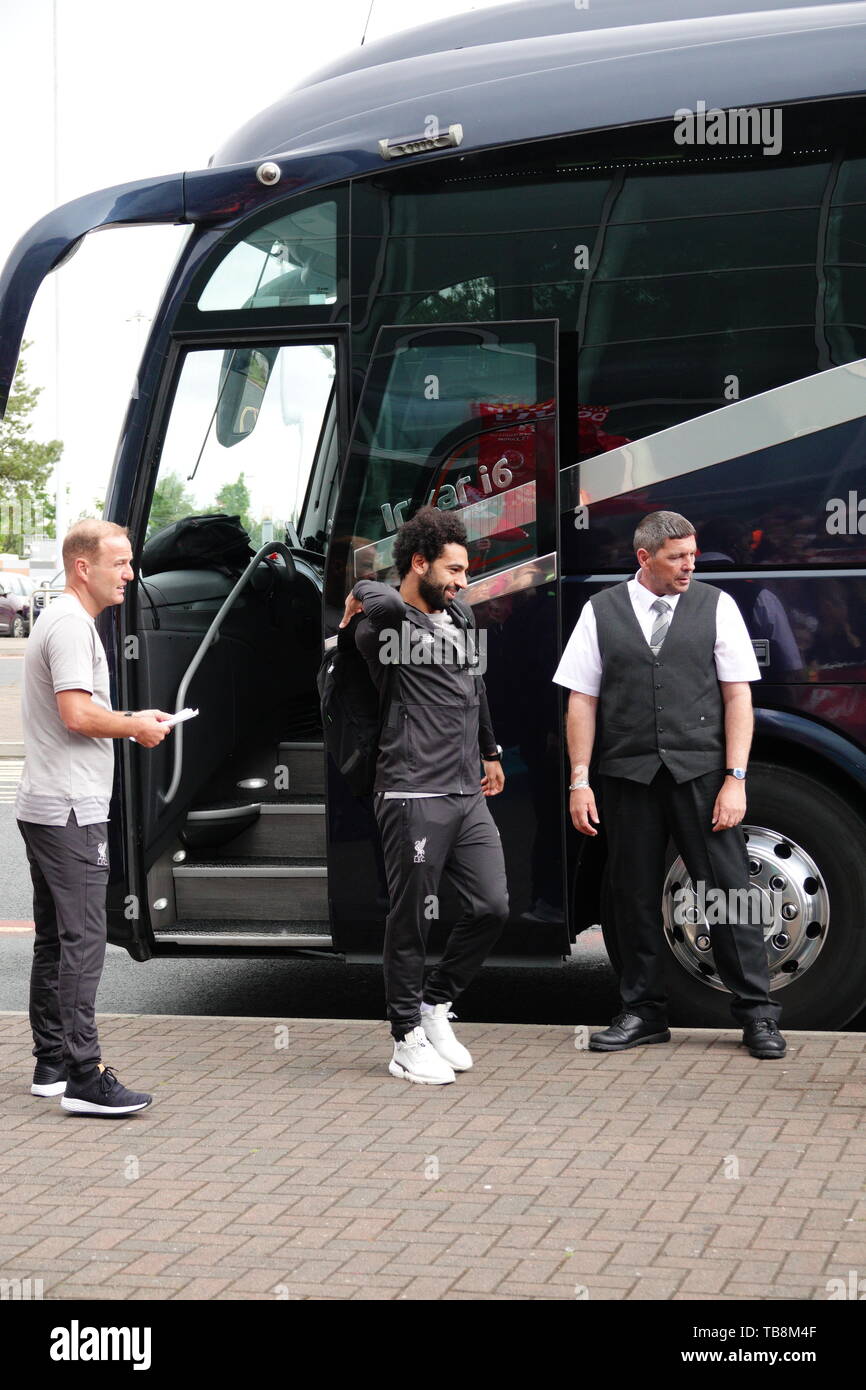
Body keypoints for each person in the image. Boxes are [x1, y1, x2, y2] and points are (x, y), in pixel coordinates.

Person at [554, 510, 786, 1060]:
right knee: (631, 895)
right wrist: (579, 782)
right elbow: (581, 700)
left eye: (692, 553)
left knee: (727, 894)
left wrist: (735, 779)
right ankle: (643, 1013)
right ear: (644, 557)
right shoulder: (600, 611)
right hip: (626, 776)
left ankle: (758, 1016)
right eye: (677, 556)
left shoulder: (716, 606)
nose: (690, 564)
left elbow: (738, 697)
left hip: (700, 775)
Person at [340, 506, 509, 1084]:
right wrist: (365, 586)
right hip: (412, 790)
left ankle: (436, 1004)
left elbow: (477, 687)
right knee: (411, 916)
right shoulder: (382, 625)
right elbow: (381, 598)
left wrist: (491, 752)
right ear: (419, 562)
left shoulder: (458, 617)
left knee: (493, 905)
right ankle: (404, 1036)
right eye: (454, 569)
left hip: (467, 789)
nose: (464, 582)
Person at [16, 520, 173, 1115]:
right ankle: (85, 1076)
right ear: (84, 567)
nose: (130, 575)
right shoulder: (72, 627)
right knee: (83, 940)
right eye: (122, 563)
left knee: (56, 939)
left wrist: (133, 716)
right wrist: (136, 724)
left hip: (47, 805)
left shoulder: (60, 621)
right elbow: (78, 715)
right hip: (72, 809)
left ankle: (52, 1063)